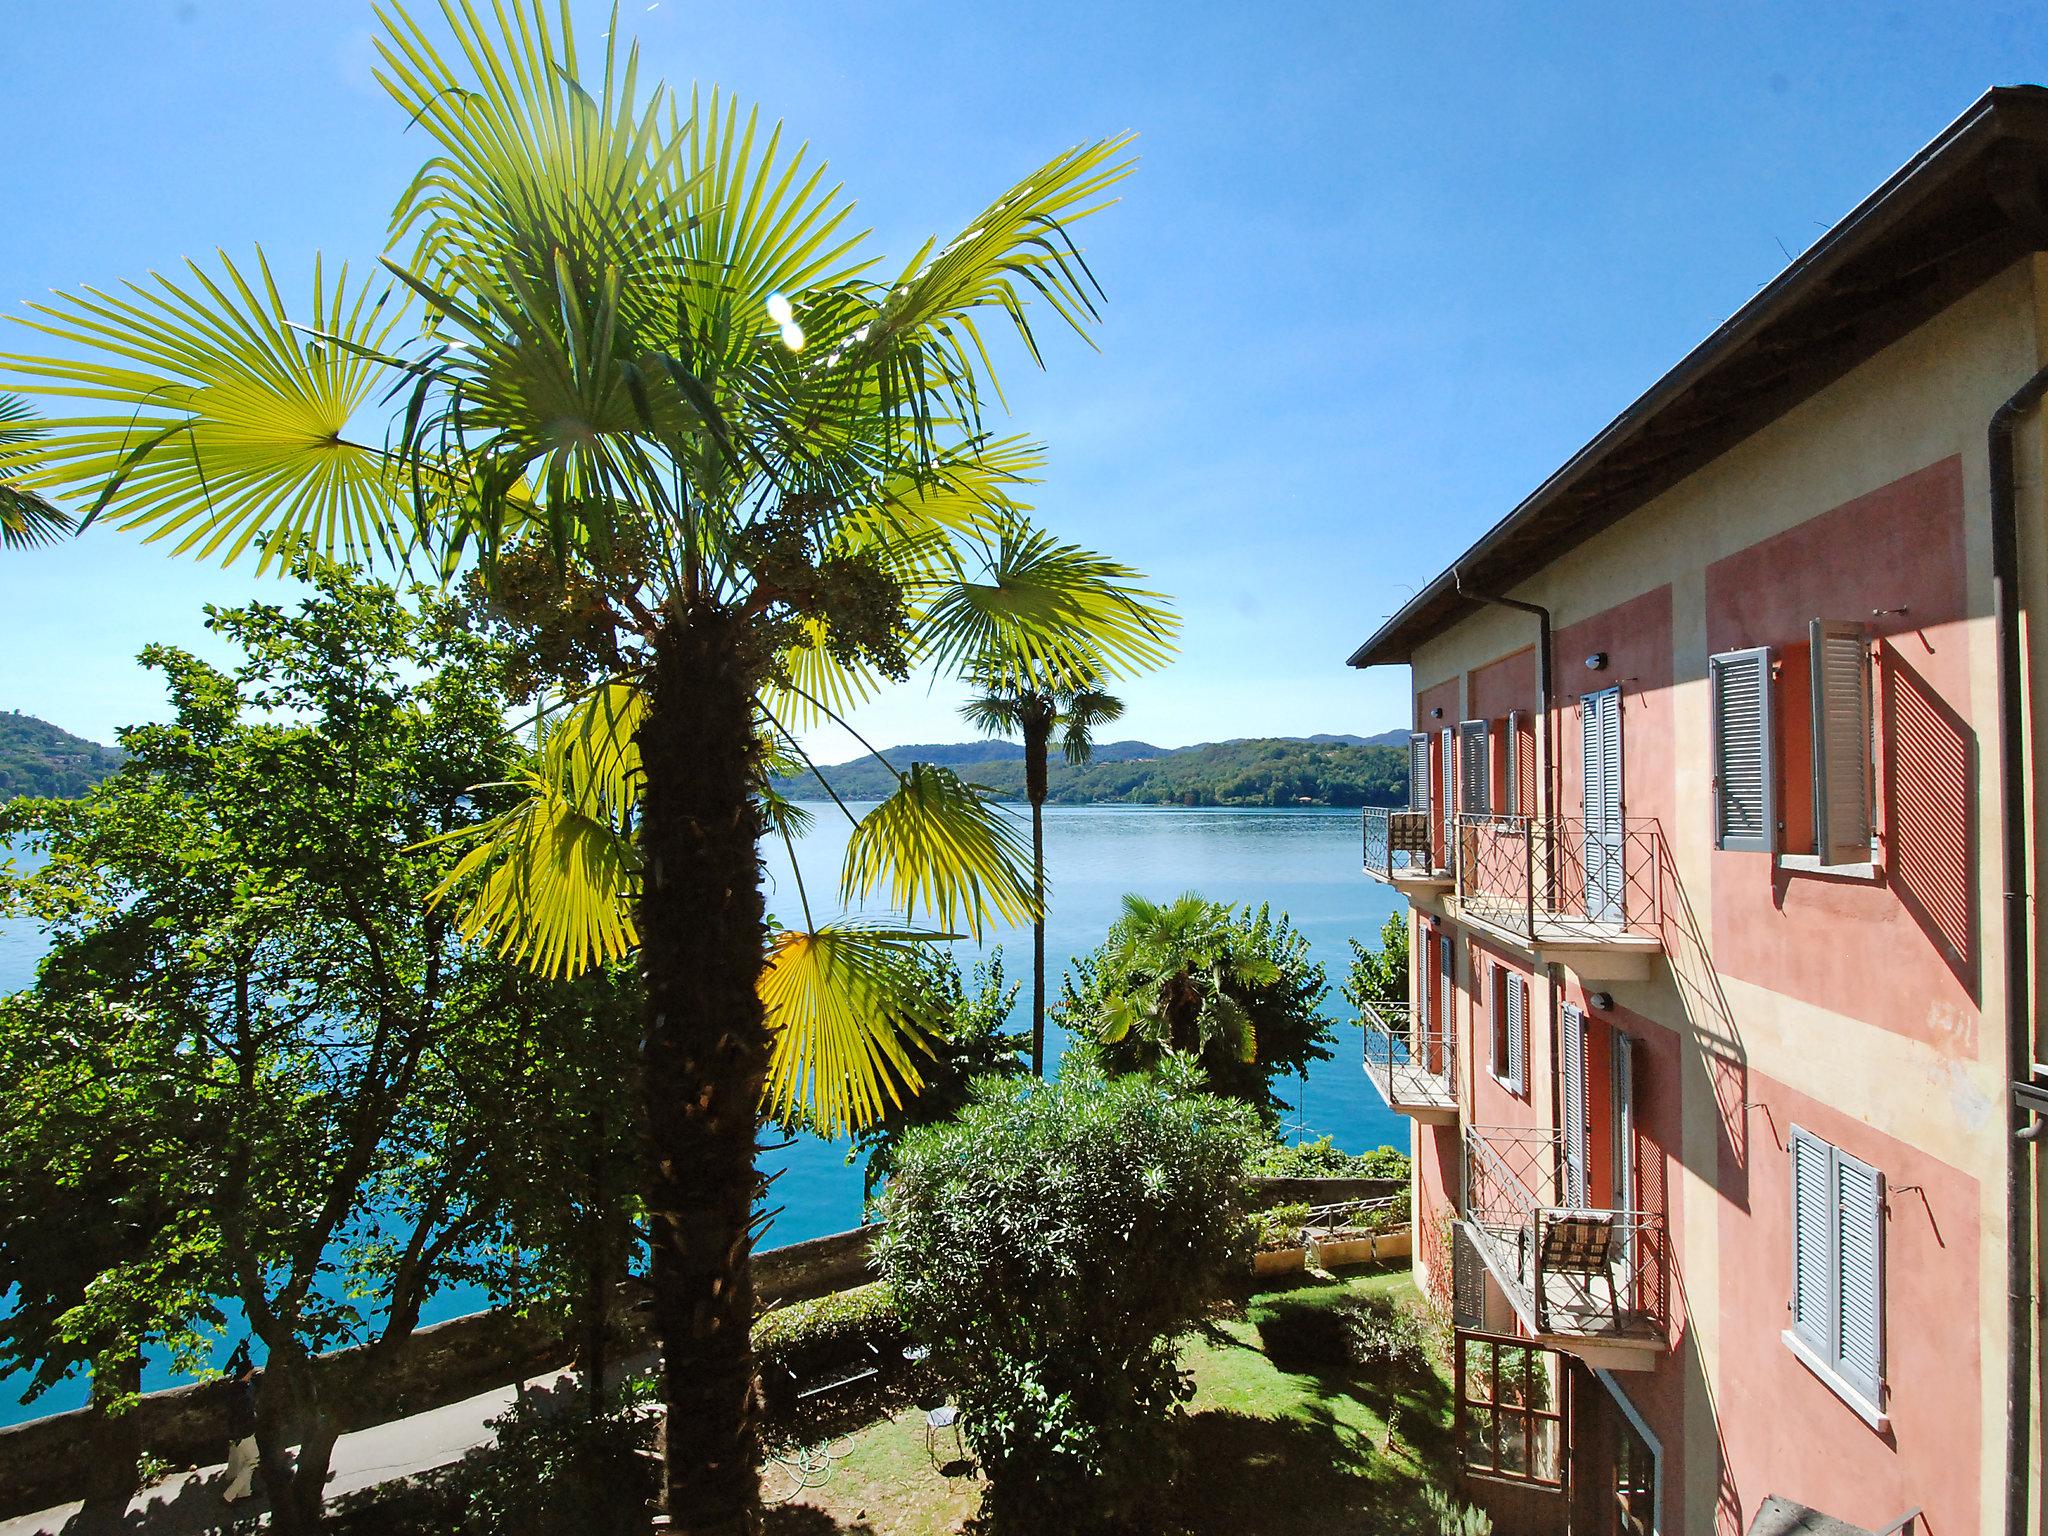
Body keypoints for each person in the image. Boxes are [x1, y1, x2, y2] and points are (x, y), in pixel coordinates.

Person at [221, 1342, 259, 1505]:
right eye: (250, 1372)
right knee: (252, 1461)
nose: (252, 1373)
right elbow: (245, 1415)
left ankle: (245, 1493)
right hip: (245, 1432)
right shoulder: (243, 1393)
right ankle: (229, 1495)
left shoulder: (234, 1386)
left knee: (242, 1461)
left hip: (235, 1432)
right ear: (246, 1374)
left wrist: (242, 1351)